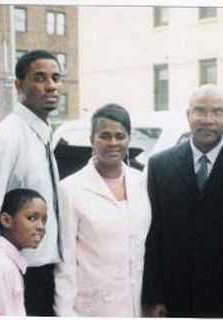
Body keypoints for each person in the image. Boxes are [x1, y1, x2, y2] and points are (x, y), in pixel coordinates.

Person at [142, 84, 223, 317]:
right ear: (188, 115)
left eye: (217, 112)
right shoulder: (160, 165)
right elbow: (153, 234)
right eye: (200, 110)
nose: (208, 120)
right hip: (173, 297)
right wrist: (153, 296)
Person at [54, 104, 151, 316]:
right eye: (105, 136)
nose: (113, 143)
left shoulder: (142, 183)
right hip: (91, 308)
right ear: (91, 139)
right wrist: (65, 313)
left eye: (119, 136)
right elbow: (65, 262)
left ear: (129, 139)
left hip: (137, 305)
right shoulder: (70, 190)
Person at [0, 49, 62, 315]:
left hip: (43, 273)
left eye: (55, 77)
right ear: (19, 85)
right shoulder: (8, 136)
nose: (51, 85)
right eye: (40, 77)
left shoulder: (40, 135)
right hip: (16, 276)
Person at [0, 188, 47, 316]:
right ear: (6, 220)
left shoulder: (7, 263)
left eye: (44, 220)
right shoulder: (1, 267)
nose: (41, 226)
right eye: (32, 218)